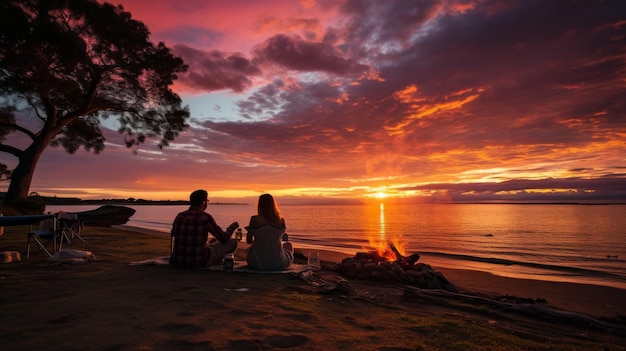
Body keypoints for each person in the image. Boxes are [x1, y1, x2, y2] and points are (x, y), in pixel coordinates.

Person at [170, 190, 239, 269]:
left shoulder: (180, 216)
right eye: (207, 201)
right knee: (232, 242)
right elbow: (224, 238)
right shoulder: (205, 217)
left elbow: (173, 237)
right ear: (203, 202)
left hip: (178, 261)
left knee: (213, 240)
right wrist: (232, 228)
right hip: (199, 262)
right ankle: (221, 261)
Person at [246, 194, 294, 271]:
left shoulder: (254, 219)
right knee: (288, 245)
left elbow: (249, 241)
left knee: (249, 249)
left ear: (260, 205)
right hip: (277, 263)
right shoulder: (280, 220)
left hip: (256, 263)